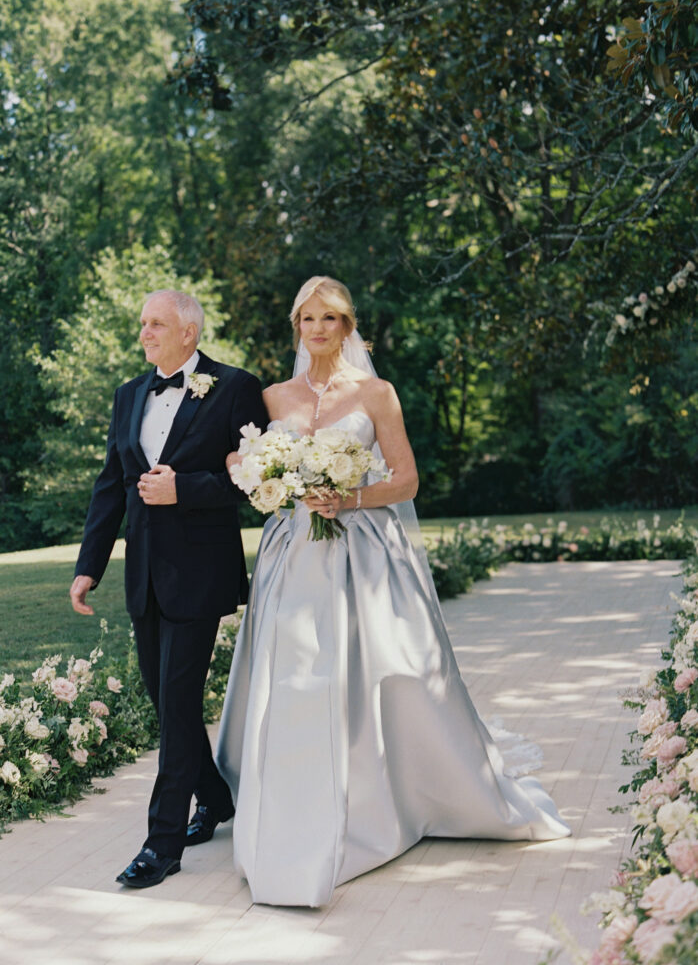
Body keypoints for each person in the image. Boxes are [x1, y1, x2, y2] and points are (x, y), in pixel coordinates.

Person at [214, 275, 570, 908]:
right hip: (292, 554)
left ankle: (386, 792)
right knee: (297, 676)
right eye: (307, 319)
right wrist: (268, 479)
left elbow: (404, 480)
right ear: (296, 327)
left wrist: (347, 496)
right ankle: (292, 796)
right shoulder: (271, 398)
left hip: (363, 553)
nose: (318, 329)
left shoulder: (376, 393)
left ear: (348, 327)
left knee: (376, 672)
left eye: (330, 319)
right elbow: (238, 459)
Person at [70, 288, 268, 889]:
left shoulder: (235, 386)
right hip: (145, 573)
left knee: (177, 702)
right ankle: (216, 798)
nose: (144, 334)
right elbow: (112, 485)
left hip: (201, 572)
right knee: (165, 701)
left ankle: (162, 846)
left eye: (155, 323)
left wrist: (187, 489)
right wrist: (89, 565)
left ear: (189, 330)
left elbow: (257, 479)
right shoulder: (130, 394)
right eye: (142, 325)